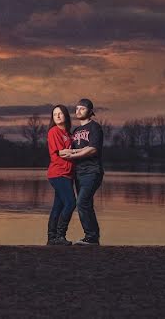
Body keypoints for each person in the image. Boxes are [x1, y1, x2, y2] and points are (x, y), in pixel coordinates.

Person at [59, 98, 104, 246]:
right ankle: (93, 237)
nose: (78, 111)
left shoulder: (95, 127)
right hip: (78, 173)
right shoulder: (76, 131)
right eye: (77, 108)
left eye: (82, 108)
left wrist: (72, 154)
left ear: (90, 112)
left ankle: (91, 236)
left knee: (82, 202)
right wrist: (71, 152)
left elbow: (92, 149)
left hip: (92, 171)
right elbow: (77, 149)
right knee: (86, 204)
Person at [46, 104, 75, 245]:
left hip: (68, 175)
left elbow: (68, 152)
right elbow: (61, 152)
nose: (57, 116)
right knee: (70, 203)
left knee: (58, 205)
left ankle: (52, 237)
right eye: (54, 114)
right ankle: (60, 236)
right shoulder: (54, 131)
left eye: (60, 113)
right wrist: (77, 152)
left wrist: (73, 152)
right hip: (57, 173)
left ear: (66, 116)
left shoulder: (69, 134)